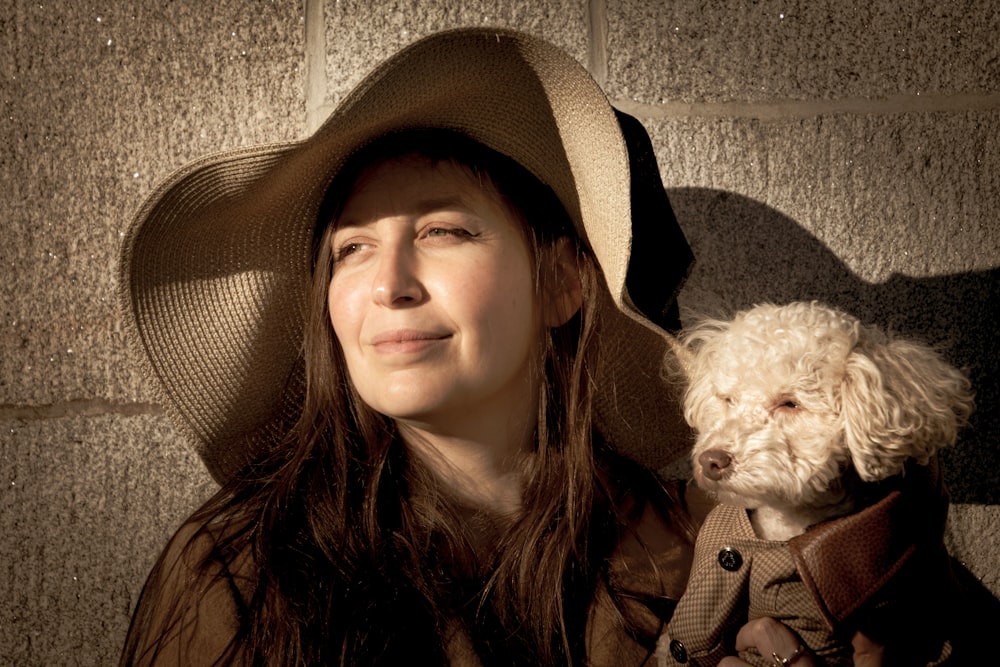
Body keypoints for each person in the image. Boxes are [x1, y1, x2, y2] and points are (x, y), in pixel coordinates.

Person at [119, 28, 884, 666]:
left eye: (441, 231)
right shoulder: (241, 569)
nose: (389, 283)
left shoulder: (706, 552)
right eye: (350, 249)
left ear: (562, 284)